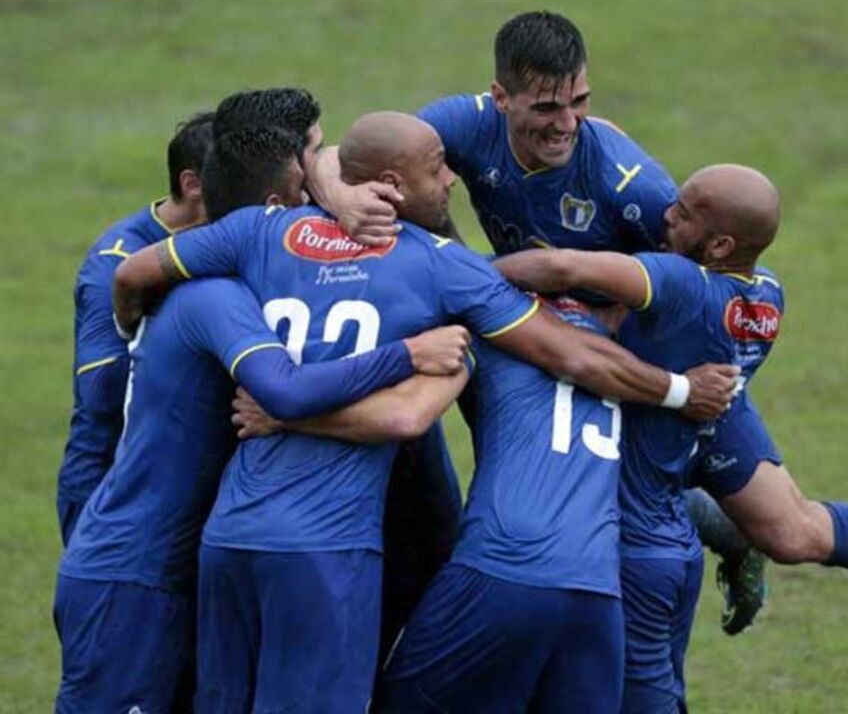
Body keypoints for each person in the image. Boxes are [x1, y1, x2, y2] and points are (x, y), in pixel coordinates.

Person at [113, 111, 738, 713]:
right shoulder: (448, 273)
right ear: (390, 185)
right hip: (338, 550)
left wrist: (140, 332)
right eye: (438, 168)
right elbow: (561, 359)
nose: (451, 180)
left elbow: (137, 272)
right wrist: (678, 390)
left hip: (231, 535)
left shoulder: (260, 233)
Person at [318, 10, 767, 632]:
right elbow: (358, 150)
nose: (568, 124)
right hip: (521, 310)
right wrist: (342, 193)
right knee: (534, 456)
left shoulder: (629, 183)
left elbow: (691, 285)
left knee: (786, 528)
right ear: (501, 98)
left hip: (628, 342)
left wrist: (610, 320)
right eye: (549, 107)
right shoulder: (469, 122)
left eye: (579, 103)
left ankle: (733, 534)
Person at [494, 162, 848, 704]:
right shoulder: (767, 292)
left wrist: (455, 271)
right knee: (791, 533)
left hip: (675, 425)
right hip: (709, 408)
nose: (665, 213)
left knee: (738, 524)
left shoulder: (677, 284)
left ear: (719, 245)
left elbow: (562, 266)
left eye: (684, 212)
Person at [55, 128, 473, 712]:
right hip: (135, 572)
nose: (316, 210)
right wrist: (409, 354)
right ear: (271, 207)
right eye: (304, 192)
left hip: (181, 559)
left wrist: (337, 187)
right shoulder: (213, 298)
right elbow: (284, 390)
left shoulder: (186, 275)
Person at [379, 296, 626, 714]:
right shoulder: (624, 346)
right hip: (599, 588)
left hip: (502, 570)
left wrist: (286, 416)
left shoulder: (490, 324)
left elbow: (407, 414)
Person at [55, 111, 214, 546]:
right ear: (192, 184)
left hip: (174, 481)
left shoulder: (213, 240)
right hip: (107, 486)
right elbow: (101, 388)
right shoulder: (118, 261)